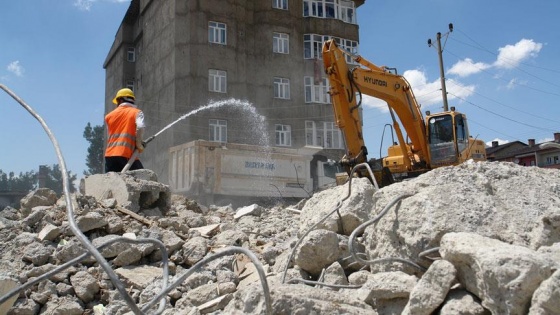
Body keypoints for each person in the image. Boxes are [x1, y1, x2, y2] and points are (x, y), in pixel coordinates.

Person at [104, 88, 146, 172]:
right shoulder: (137, 112)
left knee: (112, 182)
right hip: (126, 155)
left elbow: (111, 136)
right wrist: (138, 144)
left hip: (109, 156)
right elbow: (141, 126)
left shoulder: (109, 116)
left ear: (120, 100)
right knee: (142, 177)